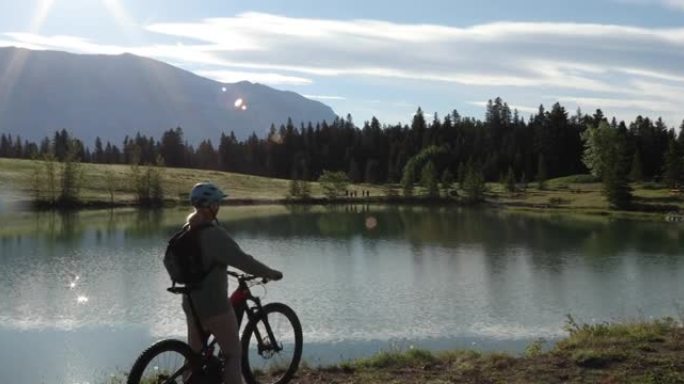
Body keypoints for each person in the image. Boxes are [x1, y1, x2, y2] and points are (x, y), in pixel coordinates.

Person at [183, 181, 282, 384]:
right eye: (218, 203)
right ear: (211, 206)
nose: (219, 206)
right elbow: (243, 261)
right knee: (232, 354)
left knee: (194, 356)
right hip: (214, 307)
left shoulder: (186, 231)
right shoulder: (214, 234)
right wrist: (270, 273)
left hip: (190, 303)